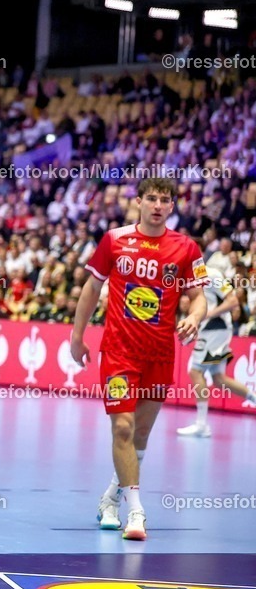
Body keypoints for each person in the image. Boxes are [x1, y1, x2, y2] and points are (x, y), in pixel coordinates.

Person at [71, 176, 208, 541]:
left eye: (165, 200)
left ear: (172, 206)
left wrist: (195, 315)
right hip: (119, 350)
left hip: (160, 353)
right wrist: (76, 336)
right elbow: (92, 287)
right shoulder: (114, 240)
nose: (158, 205)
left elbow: (198, 296)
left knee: (142, 434)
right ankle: (136, 511)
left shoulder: (186, 248)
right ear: (140, 202)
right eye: (152, 198)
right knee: (123, 428)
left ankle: (110, 499)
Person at [178, 265, 256, 437]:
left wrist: (209, 314)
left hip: (216, 327)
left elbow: (233, 301)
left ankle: (201, 425)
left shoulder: (211, 273)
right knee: (219, 379)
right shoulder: (190, 277)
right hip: (210, 329)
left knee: (195, 371)